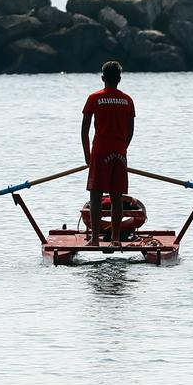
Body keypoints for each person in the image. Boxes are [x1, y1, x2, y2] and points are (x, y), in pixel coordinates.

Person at [81, 61, 135, 247]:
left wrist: (87, 155)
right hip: (119, 153)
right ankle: (115, 239)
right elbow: (130, 132)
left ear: (103, 78)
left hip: (100, 152)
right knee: (116, 198)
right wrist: (122, 148)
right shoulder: (128, 100)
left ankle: (95, 239)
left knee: (95, 196)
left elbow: (84, 130)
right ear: (119, 79)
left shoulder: (94, 98)